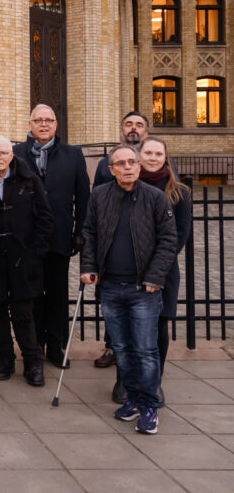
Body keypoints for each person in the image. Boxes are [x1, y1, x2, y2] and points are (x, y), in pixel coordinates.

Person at [80, 144, 178, 435]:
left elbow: (168, 241)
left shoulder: (156, 198)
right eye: (120, 163)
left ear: (138, 166)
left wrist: (154, 277)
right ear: (111, 170)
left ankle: (149, 406)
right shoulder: (100, 196)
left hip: (143, 290)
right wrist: (88, 266)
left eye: (132, 162)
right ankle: (133, 399)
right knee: (121, 348)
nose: (127, 167)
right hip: (110, 287)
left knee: (146, 350)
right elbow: (89, 232)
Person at [12, 104, 89, 370]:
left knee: (57, 293)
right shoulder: (16, 153)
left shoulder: (73, 155)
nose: (43, 124)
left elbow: (84, 196)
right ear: (30, 124)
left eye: (48, 120)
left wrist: (80, 231)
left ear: (56, 125)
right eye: (38, 120)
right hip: (25, 239)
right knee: (30, 295)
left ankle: (55, 346)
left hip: (58, 236)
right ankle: (32, 348)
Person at [0, 136, 54, 387]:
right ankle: (5, 359)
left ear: (12, 155)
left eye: (3, 152)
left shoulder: (29, 179)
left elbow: (45, 218)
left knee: (24, 313)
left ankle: (33, 361)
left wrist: (36, 253)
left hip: (24, 258)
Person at [91, 111, 149, 375]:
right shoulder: (106, 163)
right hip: (114, 249)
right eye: (128, 124)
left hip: (146, 251)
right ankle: (112, 346)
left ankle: (144, 358)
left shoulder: (157, 158)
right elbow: (98, 201)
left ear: (146, 131)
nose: (133, 129)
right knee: (111, 302)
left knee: (145, 314)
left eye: (138, 125)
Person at [136, 136, 192, 407]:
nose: (154, 157)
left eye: (159, 153)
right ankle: (127, 379)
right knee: (128, 328)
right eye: (149, 153)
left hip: (163, 273)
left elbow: (180, 236)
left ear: (166, 157)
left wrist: (156, 267)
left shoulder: (178, 192)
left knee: (158, 326)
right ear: (140, 155)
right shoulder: (126, 185)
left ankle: (154, 382)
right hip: (128, 270)